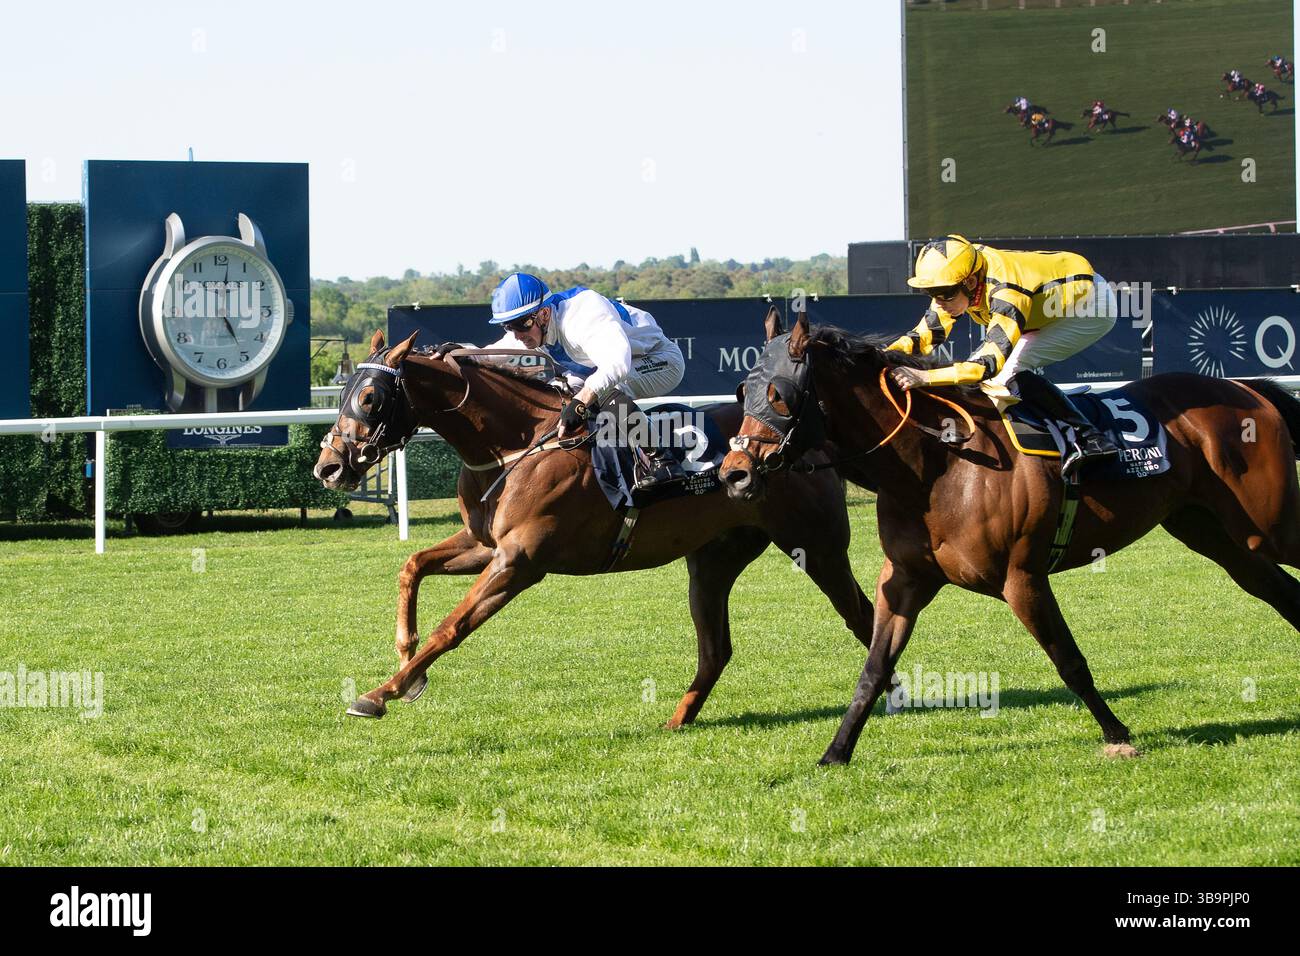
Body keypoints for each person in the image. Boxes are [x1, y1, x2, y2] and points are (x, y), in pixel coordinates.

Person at [885, 235, 1120, 477]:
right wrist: (881, 355)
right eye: (930, 293)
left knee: (1008, 371)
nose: (938, 303)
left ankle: (1090, 439)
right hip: (1044, 307)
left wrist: (924, 377)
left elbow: (985, 366)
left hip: (1089, 306)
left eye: (944, 294)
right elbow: (926, 335)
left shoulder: (1006, 293)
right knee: (991, 381)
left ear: (972, 281)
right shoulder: (960, 276)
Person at [474, 272, 687, 490]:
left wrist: (581, 401)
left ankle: (663, 461)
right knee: (557, 397)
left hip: (659, 359)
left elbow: (616, 365)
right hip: (599, 367)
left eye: (521, 325)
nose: (517, 335)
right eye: (509, 326)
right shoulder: (534, 323)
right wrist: (456, 353)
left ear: (544, 314)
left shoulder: (583, 315)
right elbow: (492, 353)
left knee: (605, 389)